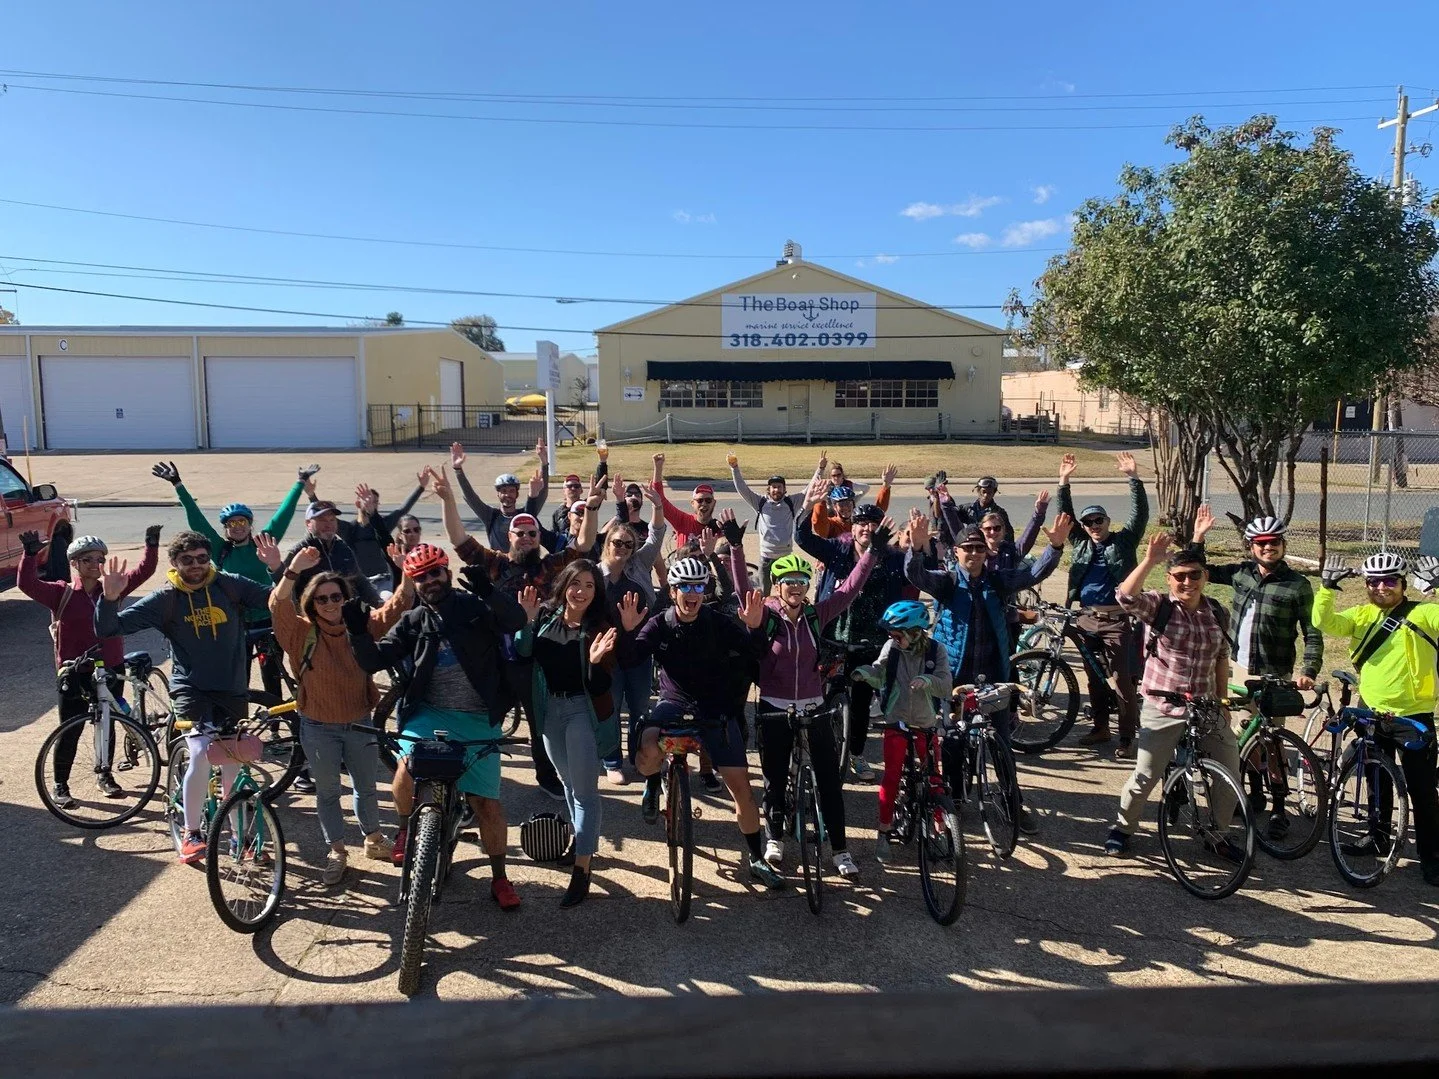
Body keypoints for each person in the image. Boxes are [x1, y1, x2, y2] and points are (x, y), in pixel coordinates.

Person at [347, 543, 528, 908]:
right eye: (420, 576)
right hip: (428, 714)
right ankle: (404, 830)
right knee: (405, 769)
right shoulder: (414, 620)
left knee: (486, 804)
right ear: (412, 582)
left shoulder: (473, 607)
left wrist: (489, 592)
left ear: (447, 571)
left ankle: (500, 877)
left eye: (435, 572)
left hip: (479, 717)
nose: (429, 581)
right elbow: (373, 661)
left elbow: (517, 621)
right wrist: (357, 631)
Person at [95, 531, 271, 864]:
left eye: (202, 558)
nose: (196, 566)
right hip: (191, 689)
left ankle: (238, 838)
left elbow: (276, 600)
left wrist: (279, 570)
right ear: (175, 563)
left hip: (231, 687)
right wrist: (109, 598)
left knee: (232, 763)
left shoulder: (229, 585)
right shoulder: (167, 599)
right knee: (203, 752)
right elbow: (109, 629)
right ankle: (193, 832)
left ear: (210, 559)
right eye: (187, 560)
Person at [435, 464, 602, 799]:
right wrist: (448, 499)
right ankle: (465, 787)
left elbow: (583, 545)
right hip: (495, 658)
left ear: (539, 538)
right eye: (519, 533)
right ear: (508, 537)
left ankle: (546, 775)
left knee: (540, 722)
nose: (526, 538)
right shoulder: (496, 563)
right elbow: (458, 538)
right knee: (478, 719)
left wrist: (593, 509)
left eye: (532, 533)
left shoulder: (549, 567)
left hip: (535, 660)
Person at [617, 560, 781, 889]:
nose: (692, 594)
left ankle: (755, 857)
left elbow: (756, 655)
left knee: (742, 791)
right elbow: (630, 659)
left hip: (714, 708)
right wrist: (629, 630)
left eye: (698, 587)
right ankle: (652, 784)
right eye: (685, 587)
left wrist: (754, 628)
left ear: (704, 592)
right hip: (673, 704)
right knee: (647, 749)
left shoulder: (719, 623)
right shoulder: (659, 624)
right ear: (672, 590)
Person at [904, 514, 1072, 836]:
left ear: (986, 552)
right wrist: (915, 548)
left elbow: (1034, 574)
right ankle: (954, 796)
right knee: (952, 742)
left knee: (1002, 745)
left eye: (979, 547)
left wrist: (1055, 546)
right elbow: (916, 575)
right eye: (968, 547)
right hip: (953, 678)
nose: (974, 552)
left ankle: (1012, 804)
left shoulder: (997, 581)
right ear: (956, 551)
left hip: (994, 675)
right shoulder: (948, 581)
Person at [259, 535, 413, 885]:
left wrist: (403, 572)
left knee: (367, 787)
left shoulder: (360, 626)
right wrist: (291, 571)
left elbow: (398, 607)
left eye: (337, 597)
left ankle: (373, 840)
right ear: (312, 602)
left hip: (359, 722)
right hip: (317, 726)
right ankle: (337, 851)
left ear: (346, 599)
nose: (330, 603)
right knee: (328, 792)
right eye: (323, 598)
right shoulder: (300, 633)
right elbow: (278, 605)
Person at [747, 532, 877, 880]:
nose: (796, 587)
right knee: (774, 781)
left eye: (802, 581)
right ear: (776, 585)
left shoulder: (816, 615)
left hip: (814, 706)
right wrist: (733, 548)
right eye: (789, 581)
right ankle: (774, 837)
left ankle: (840, 849)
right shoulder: (767, 616)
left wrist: (870, 555)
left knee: (830, 782)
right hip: (775, 707)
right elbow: (739, 593)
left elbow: (847, 591)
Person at [1104, 535, 1243, 859]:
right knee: (1146, 775)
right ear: (1169, 580)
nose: (1187, 581)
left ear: (1205, 577)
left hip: (1206, 705)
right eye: (1179, 576)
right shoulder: (1159, 606)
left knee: (1230, 774)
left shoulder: (1217, 613)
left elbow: (1222, 657)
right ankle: (1122, 829)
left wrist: (1222, 704)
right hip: (1163, 704)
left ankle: (1216, 834)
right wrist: (1150, 560)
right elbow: (1125, 597)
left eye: (1195, 574)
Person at [1313, 552, 1439, 886]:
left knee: (1423, 791)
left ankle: (1432, 858)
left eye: (1389, 581)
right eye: (1373, 582)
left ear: (1402, 583)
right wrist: (1325, 588)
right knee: (1376, 781)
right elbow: (1324, 623)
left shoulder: (1423, 613)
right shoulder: (1361, 615)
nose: (1381, 587)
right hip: (1371, 712)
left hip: (1414, 716)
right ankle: (1378, 837)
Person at [21, 527, 160, 806]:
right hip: (75, 672)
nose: (96, 565)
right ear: (74, 564)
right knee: (70, 729)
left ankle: (105, 775)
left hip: (109, 667)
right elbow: (28, 584)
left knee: (106, 725)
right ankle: (61, 785)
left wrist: (151, 545)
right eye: (88, 560)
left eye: (100, 559)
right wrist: (30, 554)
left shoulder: (111, 589)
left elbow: (143, 571)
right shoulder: (61, 593)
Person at [515, 564, 620, 907]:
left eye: (589, 585)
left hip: (580, 712)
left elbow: (602, 686)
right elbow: (524, 652)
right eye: (576, 583)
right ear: (564, 586)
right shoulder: (545, 615)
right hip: (549, 712)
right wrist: (526, 623)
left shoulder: (599, 628)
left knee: (586, 793)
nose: (582, 591)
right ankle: (581, 842)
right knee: (568, 784)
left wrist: (593, 660)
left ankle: (582, 870)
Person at [795, 481, 913, 783]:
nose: (865, 528)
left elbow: (918, 573)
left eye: (872, 524)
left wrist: (920, 545)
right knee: (820, 695)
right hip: (832, 637)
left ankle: (857, 754)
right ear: (853, 526)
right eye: (860, 523)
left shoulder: (892, 557)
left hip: (871, 641)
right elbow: (803, 537)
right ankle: (813, 746)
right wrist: (808, 506)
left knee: (861, 702)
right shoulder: (837, 549)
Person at [1056, 451, 1149, 759]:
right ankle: (1100, 728)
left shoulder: (1123, 542)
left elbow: (1140, 516)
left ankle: (1126, 736)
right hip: (1086, 618)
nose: (1094, 525)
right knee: (1093, 676)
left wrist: (1133, 478)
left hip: (1117, 619)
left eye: (1099, 520)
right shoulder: (1080, 543)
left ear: (1108, 521)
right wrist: (1064, 481)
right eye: (1089, 522)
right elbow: (1065, 515)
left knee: (1123, 681)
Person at [852, 601, 953, 862]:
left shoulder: (936, 651)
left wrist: (928, 681)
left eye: (897, 634)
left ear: (915, 631)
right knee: (892, 776)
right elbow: (880, 672)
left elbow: (945, 686)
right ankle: (884, 831)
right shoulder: (892, 649)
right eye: (891, 635)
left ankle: (939, 826)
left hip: (925, 723)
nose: (892, 639)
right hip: (896, 722)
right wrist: (865, 673)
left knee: (934, 777)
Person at [1191, 508, 1322, 688]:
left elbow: (1313, 632)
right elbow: (1197, 570)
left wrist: (1309, 671)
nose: (1268, 547)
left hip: (1276, 673)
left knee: (1272, 717)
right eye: (1261, 543)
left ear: (1283, 545)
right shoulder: (1240, 573)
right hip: (1240, 666)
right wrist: (1198, 536)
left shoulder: (1298, 585)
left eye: (1274, 541)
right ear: (1251, 547)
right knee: (1244, 717)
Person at [595, 485, 668, 783]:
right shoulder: (593, 574)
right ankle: (611, 762)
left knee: (639, 708)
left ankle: (638, 756)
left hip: (638, 652)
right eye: (617, 543)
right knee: (610, 709)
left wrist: (659, 506)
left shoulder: (639, 563)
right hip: (609, 656)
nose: (623, 548)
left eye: (628, 544)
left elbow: (657, 534)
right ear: (607, 543)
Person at [324, 475, 429, 596]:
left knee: (388, 599)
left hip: (384, 582)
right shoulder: (349, 529)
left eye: (375, 502)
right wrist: (311, 495)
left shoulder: (383, 525)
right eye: (367, 501)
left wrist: (421, 487)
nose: (372, 505)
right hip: (357, 584)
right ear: (358, 504)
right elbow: (326, 518)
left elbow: (402, 509)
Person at [728, 452, 819, 591]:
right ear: (769, 489)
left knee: (788, 591)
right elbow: (742, 489)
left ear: (784, 489)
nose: (776, 489)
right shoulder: (760, 502)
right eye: (773, 487)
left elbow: (809, 489)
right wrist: (734, 468)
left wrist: (820, 468)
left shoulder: (791, 502)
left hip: (785, 558)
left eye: (780, 487)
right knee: (764, 594)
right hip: (766, 558)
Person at [274, 500, 385, 608]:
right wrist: (298, 618)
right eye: (322, 520)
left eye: (332, 519)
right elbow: (285, 588)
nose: (328, 525)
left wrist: (379, 603)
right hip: (314, 618)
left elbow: (359, 580)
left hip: (346, 615)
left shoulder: (343, 548)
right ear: (308, 523)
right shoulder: (299, 552)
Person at [450, 438, 550, 553]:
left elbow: (542, 493)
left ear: (517, 493)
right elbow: (470, 497)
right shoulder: (490, 516)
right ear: (498, 493)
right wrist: (458, 469)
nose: (507, 494)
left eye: (512, 491)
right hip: (499, 566)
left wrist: (544, 463)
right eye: (503, 491)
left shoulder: (526, 515)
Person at [811, 457, 896, 540]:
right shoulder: (832, 524)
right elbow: (820, 524)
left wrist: (886, 486)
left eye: (848, 503)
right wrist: (819, 501)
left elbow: (878, 512)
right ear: (835, 507)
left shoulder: (859, 521)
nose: (845, 507)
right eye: (841, 504)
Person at [650, 452, 719, 550]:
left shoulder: (719, 529)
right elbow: (659, 499)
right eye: (699, 500)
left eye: (708, 500)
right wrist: (658, 468)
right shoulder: (682, 521)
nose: (704, 504)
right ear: (692, 503)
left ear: (714, 503)